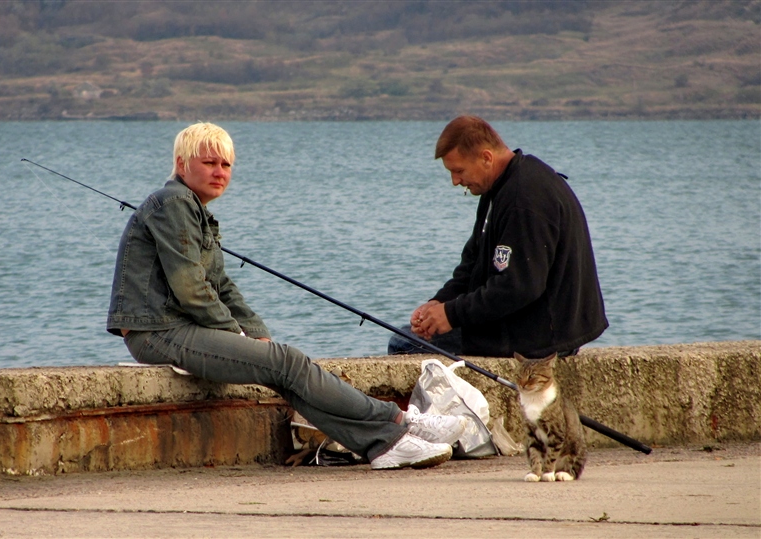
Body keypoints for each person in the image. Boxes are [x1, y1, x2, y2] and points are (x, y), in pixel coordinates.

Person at [108, 122, 466, 470]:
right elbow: (191, 289)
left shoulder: (194, 209)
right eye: (209, 162)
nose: (220, 172)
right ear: (183, 165)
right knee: (287, 362)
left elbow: (220, 284)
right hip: (157, 332)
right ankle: (402, 421)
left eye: (226, 164)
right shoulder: (173, 202)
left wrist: (254, 330)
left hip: (175, 329)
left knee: (283, 369)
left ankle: (386, 444)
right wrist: (236, 334)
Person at [388, 115, 608, 359]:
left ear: (486, 157)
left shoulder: (524, 199)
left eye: (459, 171)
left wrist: (452, 315)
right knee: (409, 335)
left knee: (404, 343)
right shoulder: (498, 188)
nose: (455, 181)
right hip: (524, 323)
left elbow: (518, 287)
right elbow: (472, 265)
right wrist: (439, 303)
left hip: (543, 336)